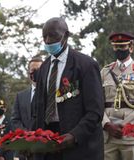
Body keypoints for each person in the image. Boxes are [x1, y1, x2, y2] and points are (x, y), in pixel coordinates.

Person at [31, 17, 104, 160]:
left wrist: (74, 136)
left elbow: (95, 112)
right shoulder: (44, 68)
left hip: (79, 146)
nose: (47, 41)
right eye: (44, 36)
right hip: (48, 145)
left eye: (53, 35)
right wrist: (30, 143)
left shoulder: (86, 65)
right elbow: (37, 111)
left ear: (66, 35)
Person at [101, 32, 134, 160]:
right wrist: (106, 124)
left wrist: (124, 126)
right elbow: (97, 103)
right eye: (116, 47)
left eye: (122, 46)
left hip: (131, 134)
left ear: (131, 47)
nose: (119, 50)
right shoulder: (105, 72)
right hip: (108, 134)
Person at [11, 56, 43, 160]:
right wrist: (26, 135)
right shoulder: (20, 96)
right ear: (29, 73)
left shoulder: (51, 95)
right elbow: (15, 119)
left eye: (39, 70)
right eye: (33, 70)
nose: (36, 73)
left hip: (45, 148)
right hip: (24, 150)